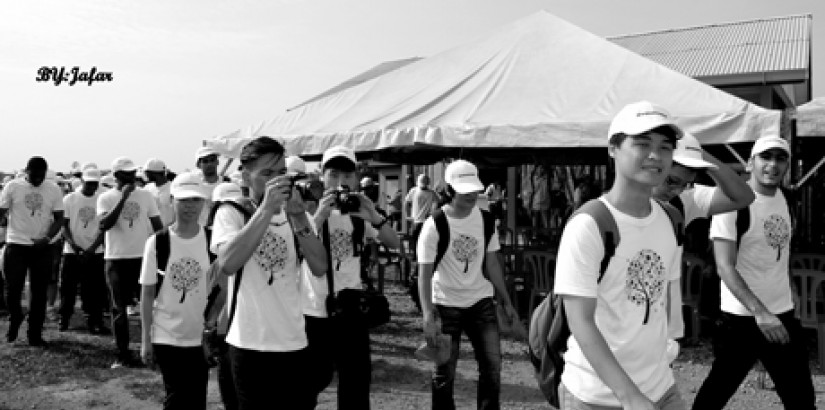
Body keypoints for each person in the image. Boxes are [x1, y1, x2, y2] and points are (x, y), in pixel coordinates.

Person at [554, 101, 686, 409]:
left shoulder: (670, 218)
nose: (655, 156)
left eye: (665, 147)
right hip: (598, 396)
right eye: (642, 144)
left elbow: (663, 296)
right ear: (613, 148)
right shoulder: (590, 224)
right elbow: (580, 320)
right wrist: (629, 395)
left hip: (660, 387)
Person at [692, 136, 815, 410]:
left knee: (801, 400)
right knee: (714, 396)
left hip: (782, 314)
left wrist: (789, 290)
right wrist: (761, 312)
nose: (772, 164)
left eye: (780, 158)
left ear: (787, 165)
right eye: (765, 157)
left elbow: (779, 252)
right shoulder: (731, 204)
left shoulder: (786, 199)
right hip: (742, 319)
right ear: (750, 163)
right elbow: (725, 265)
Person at [210, 136, 328, 410]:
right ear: (246, 176)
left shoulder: (297, 213)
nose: (276, 181)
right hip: (249, 342)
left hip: (294, 340)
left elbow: (320, 267)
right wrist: (265, 210)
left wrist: (299, 217)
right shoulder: (231, 212)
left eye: (281, 174)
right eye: (266, 174)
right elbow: (227, 264)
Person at [417, 159, 519, 410]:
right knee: (444, 373)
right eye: (464, 191)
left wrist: (506, 300)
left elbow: (492, 263)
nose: (471, 195)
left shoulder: (486, 220)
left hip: (481, 302)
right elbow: (424, 273)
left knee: (492, 368)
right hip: (446, 303)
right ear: (450, 191)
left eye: (474, 190)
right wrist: (428, 314)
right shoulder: (435, 224)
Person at [303, 146, 400, 409]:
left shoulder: (358, 214)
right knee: (312, 380)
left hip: (350, 307)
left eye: (347, 175)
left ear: (356, 179)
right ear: (322, 177)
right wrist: (320, 215)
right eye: (333, 175)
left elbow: (395, 244)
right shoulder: (306, 212)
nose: (340, 183)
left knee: (355, 383)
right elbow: (298, 246)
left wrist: (374, 216)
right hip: (314, 308)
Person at [650, 132, 754, 343]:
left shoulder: (683, 202)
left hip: (661, 334)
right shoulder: (609, 214)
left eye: (685, 184)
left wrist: (697, 152)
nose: (676, 190)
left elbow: (744, 196)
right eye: (672, 181)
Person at [139, 171, 214, 410]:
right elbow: (148, 293)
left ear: (203, 202)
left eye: (195, 200)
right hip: (166, 334)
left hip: (200, 336)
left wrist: (213, 330)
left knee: (197, 397)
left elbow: (222, 288)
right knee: (177, 396)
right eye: (184, 200)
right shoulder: (158, 242)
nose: (190, 206)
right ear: (172, 201)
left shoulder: (213, 241)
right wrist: (145, 339)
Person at [98, 157, 163, 368]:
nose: (132, 177)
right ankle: (122, 353)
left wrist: (161, 251)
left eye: (133, 173)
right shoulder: (106, 198)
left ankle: (155, 349)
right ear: (116, 175)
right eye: (126, 174)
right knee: (118, 308)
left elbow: (157, 225)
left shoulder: (146, 196)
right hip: (116, 258)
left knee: (151, 304)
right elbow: (105, 225)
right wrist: (123, 198)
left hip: (142, 257)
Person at [0, 156, 64, 346]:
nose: (38, 179)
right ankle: (15, 316)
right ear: (26, 171)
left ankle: (34, 334)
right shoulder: (12, 186)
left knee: (39, 292)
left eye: (41, 175)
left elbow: (59, 218)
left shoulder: (53, 188)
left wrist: (46, 238)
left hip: (41, 246)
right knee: (12, 288)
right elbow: (1, 212)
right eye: (34, 175)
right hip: (16, 244)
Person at [58, 167, 109, 334]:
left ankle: (95, 320)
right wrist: (74, 245)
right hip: (72, 251)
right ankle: (64, 318)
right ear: (82, 181)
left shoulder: (101, 199)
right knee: (68, 288)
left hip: (95, 251)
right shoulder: (70, 199)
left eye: (95, 184)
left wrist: (92, 248)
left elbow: (104, 228)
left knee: (94, 289)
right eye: (88, 183)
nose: (91, 187)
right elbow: (64, 226)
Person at [405, 174, 438, 248]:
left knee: (419, 238)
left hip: (421, 220)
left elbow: (406, 202)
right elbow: (438, 202)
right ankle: (416, 255)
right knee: (418, 238)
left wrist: (407, 215)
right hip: (418, 219)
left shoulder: (430, 192)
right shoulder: (429, 192)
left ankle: (416, 255)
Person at [195, 146, 225, 226]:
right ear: (198, 165)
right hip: (203, 233)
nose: (210, 164)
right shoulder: (195, 187)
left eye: (212, 160)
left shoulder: (227, 183)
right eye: (205, 161)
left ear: (217, 162)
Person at [144, 158, 175, 228]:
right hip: (150, 234)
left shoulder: (174, 188)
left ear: (154, 173)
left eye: (147, 172)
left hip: (168, 232)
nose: (145, 175)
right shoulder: (147, 188)